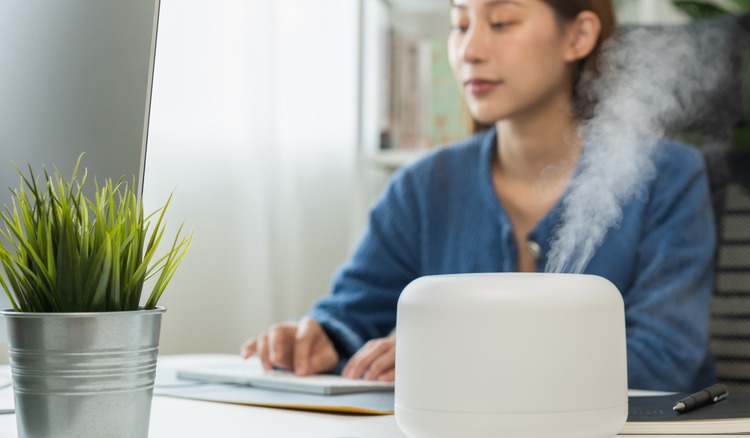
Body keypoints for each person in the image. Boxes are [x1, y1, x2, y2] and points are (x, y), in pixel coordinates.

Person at [241, 0, 717, 392]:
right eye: (460, 24)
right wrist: (317, 337)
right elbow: (350, 312)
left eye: (502, 22)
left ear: (578, 36)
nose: (469, 49)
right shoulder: (425, 186)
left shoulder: (667, 176)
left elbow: (662, 358)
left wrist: (461, 359)